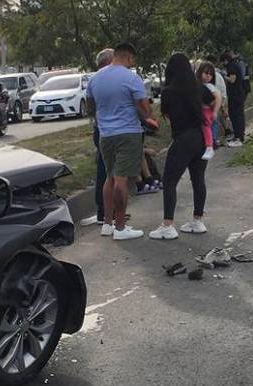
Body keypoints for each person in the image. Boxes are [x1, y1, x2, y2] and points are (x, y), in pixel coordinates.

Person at [84, 42, 154, 240]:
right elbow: (145, 110)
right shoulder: (131, 78)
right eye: (133, 60)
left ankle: (107, 223)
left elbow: (90, 107)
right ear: (129, 57)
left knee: (110, 177)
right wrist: (143, 113)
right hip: (128, 133)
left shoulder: (95, 78)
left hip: (105, 135)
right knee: (122, 179)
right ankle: (121, 227)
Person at [150, 52, 214, 240]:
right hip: (201, 138)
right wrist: (213, 115)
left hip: (183, 139)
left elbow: (167, 116)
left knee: (169, 181)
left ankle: (168, 225)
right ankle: (197, 221)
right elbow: (214, 99)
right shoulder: (199, 88)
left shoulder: (169, 91)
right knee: (198, 179)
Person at [81, 48, 114, 227]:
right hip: (110, 130)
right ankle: (106, 212)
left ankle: (105, 211)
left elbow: (90, 107)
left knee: (104, 169)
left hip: (100, 128)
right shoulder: (109, 78)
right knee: (108, 172)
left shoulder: (93, 80)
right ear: (109, 61)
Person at [196, 61, 222, 161]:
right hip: (201, 110)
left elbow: (218, 97)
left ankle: (209, 146)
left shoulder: (210, 87)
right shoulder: (198, 85)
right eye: (206, 73)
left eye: (211, 74)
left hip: (207, 111)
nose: (208, 76)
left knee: (206, 127)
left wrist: (215, 111)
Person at [223, 49, 249, 146]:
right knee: (238, 115)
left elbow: (232, 80)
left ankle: (238, 137)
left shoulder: (231, 66)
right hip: (238, 94)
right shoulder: (235, 64)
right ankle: (239, 136)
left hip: (235, 95)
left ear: (226, 60)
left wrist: (224, 75)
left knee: (235, 115)